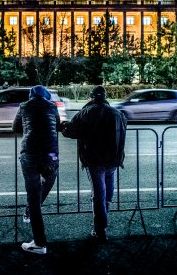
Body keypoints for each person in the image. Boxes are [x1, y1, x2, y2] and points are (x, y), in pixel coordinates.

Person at [61, 85, 127, 243]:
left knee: (98, 194)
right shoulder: (117, 113)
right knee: (107, 191)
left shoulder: (86, 112)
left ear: (91, 97)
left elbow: (70, 131)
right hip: (113, 159)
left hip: (94, 159)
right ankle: (103, 220)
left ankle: (100, 229)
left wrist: (63, 125)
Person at [12, 85, 61, 255]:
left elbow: (15, 128)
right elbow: (58, 125)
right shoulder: (52, 107)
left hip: (30, 156)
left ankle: (39, 242)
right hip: (51, 155)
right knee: (47, 183)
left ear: (31, 95)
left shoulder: (24, 106)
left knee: (33, 197)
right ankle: (30, 212)